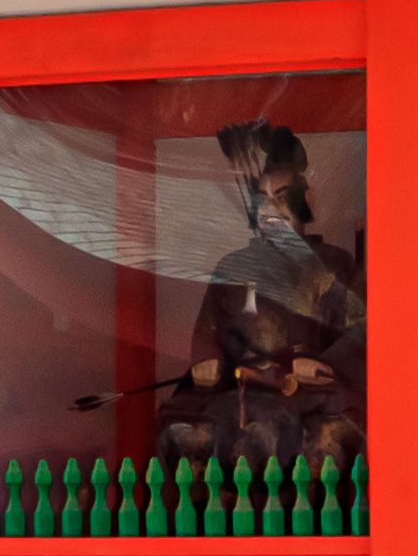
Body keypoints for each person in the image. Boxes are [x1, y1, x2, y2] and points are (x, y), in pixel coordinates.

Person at [154, 119, 370, 467]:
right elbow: (208, 334)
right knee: (185, 431)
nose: (274, 209)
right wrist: (207, 363)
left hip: (308, 390)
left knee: (325, 437)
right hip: (242, 387)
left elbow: (365, 328)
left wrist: (324, 364)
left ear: (307, 200)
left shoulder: (333, 264)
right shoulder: (233, 267)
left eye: (283, 198)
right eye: (264, 200)